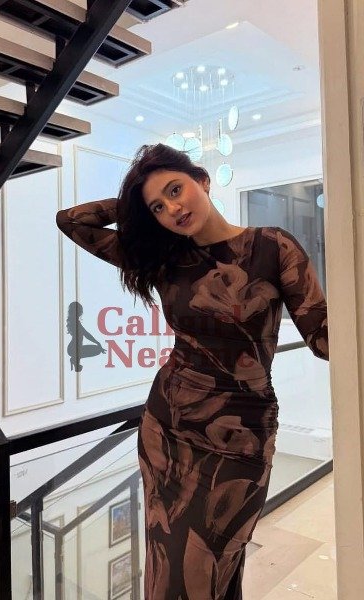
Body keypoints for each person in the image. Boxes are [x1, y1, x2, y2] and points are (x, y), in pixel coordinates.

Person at [56, 143, 329, 600]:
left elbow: (323, 340)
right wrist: (135, 208)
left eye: (175, 190)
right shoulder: (165, 258)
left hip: (241, 437)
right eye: (157, 208)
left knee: (211, 568)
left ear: (202, 180)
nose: (173, 209)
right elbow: (71, 221)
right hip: (166, 428)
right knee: (171, 566)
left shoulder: (272, 245)